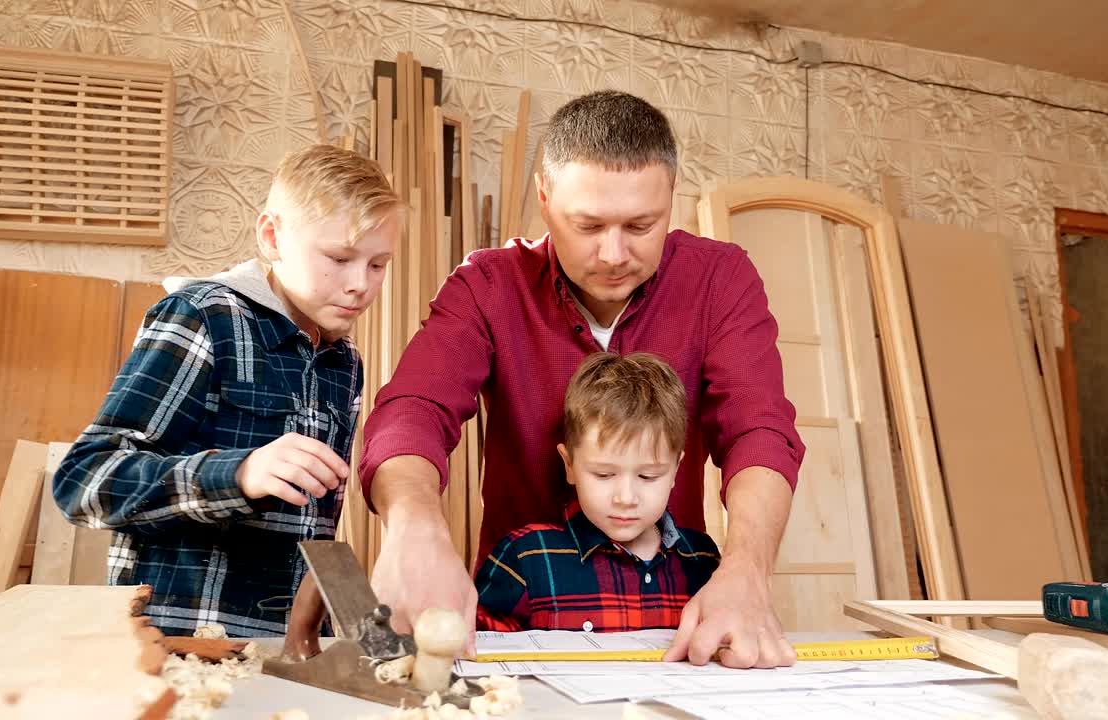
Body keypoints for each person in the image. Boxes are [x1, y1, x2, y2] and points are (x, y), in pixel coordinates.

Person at [337, 89, 802, 668]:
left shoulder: (720, 279)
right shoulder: (488, 286)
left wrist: (747, 570)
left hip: (668, 623)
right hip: (523, 618)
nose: (614, 253)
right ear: (544, 198)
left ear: (671, 197)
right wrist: (414, 527)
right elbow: (413, 410)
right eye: (588, 225)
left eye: (641, 225)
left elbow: (759, 432)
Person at [53, 145, 401, 636]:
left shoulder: (343, 361)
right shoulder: (203, 318)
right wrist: (237, 473)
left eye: (378, 265)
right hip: (179, 645)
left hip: (281, 654)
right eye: (339, 258)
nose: (359, 285)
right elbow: (83, 482)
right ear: (272, 237)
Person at [476, 352, 721, 632]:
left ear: (676, 469)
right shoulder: (525, 559)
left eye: (648, 476)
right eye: (604, 475)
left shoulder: (703, 560)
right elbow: (476, 650)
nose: (625, 498)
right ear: (569, 465)